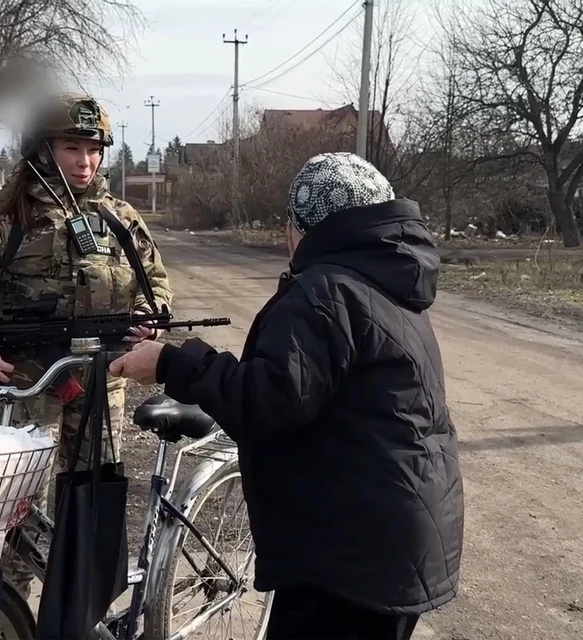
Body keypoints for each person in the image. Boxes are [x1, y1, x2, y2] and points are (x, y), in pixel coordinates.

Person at [109, 152, 464, 639]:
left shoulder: (325, 293)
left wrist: (170, 362)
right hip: (399, 535)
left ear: (305, 228)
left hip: (349, 557)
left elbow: (268, 402)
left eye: (289, 224)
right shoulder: (387, 279)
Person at [0, 92, 172, 598]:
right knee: (12, 507)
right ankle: (4, 609)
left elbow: (157, 285)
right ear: (42, 149)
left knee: (89, 504)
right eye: (72, 147)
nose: (86, 161)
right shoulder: (2, 216)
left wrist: (150, 321)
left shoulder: (118, 216)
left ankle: (80, 609)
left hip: (100, 384)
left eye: (95, 148)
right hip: (26, 383)